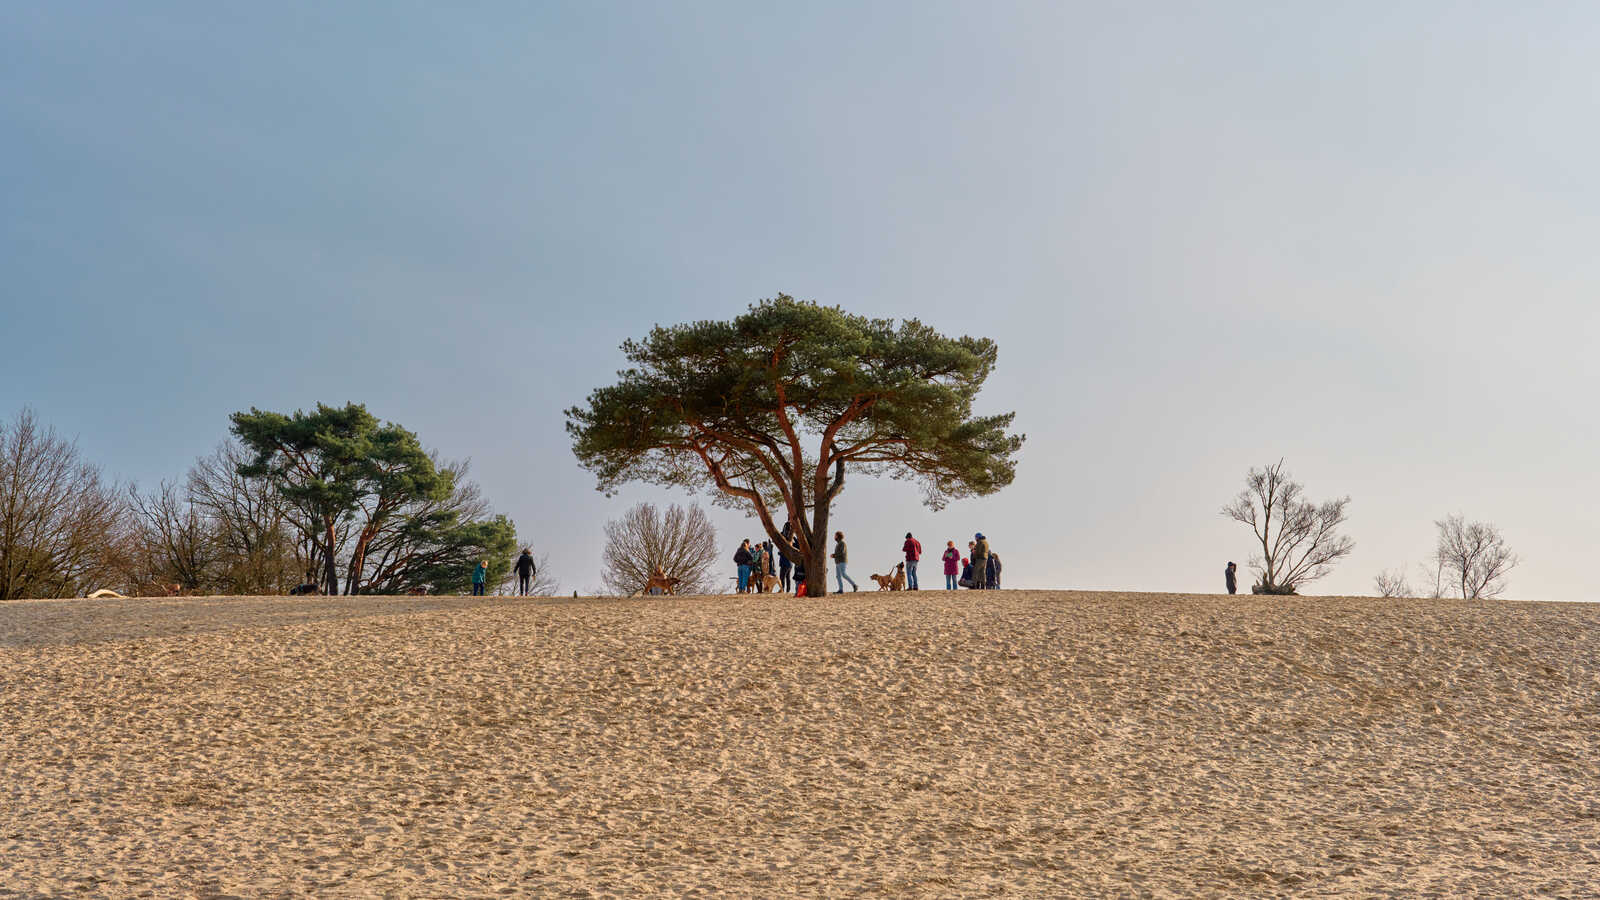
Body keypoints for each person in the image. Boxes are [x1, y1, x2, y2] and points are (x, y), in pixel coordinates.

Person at [778, 523, 795, 593]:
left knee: (782, 576)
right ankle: (787, 590)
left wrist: (780, 553)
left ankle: (783, 589)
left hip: (785, 561)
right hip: (789, 562)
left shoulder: (786, 537)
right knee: (788, 577)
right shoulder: (791, 538)